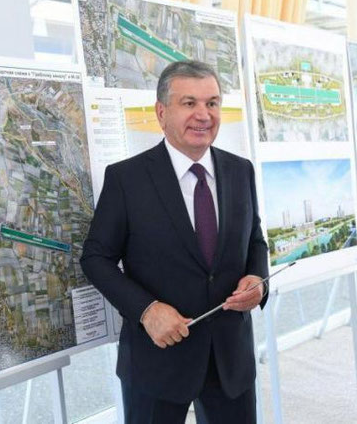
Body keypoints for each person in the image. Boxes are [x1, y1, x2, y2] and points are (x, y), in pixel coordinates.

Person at [80, 60, 270, 423]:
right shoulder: (126, 179)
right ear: (161, 112)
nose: (203, 114)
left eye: (212, 103)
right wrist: (147, 310)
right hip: (158, 358)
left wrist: (257, 280)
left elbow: (255, 240)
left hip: (230, 358)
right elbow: (96, 258)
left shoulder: (240, 170)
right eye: (189, 103)